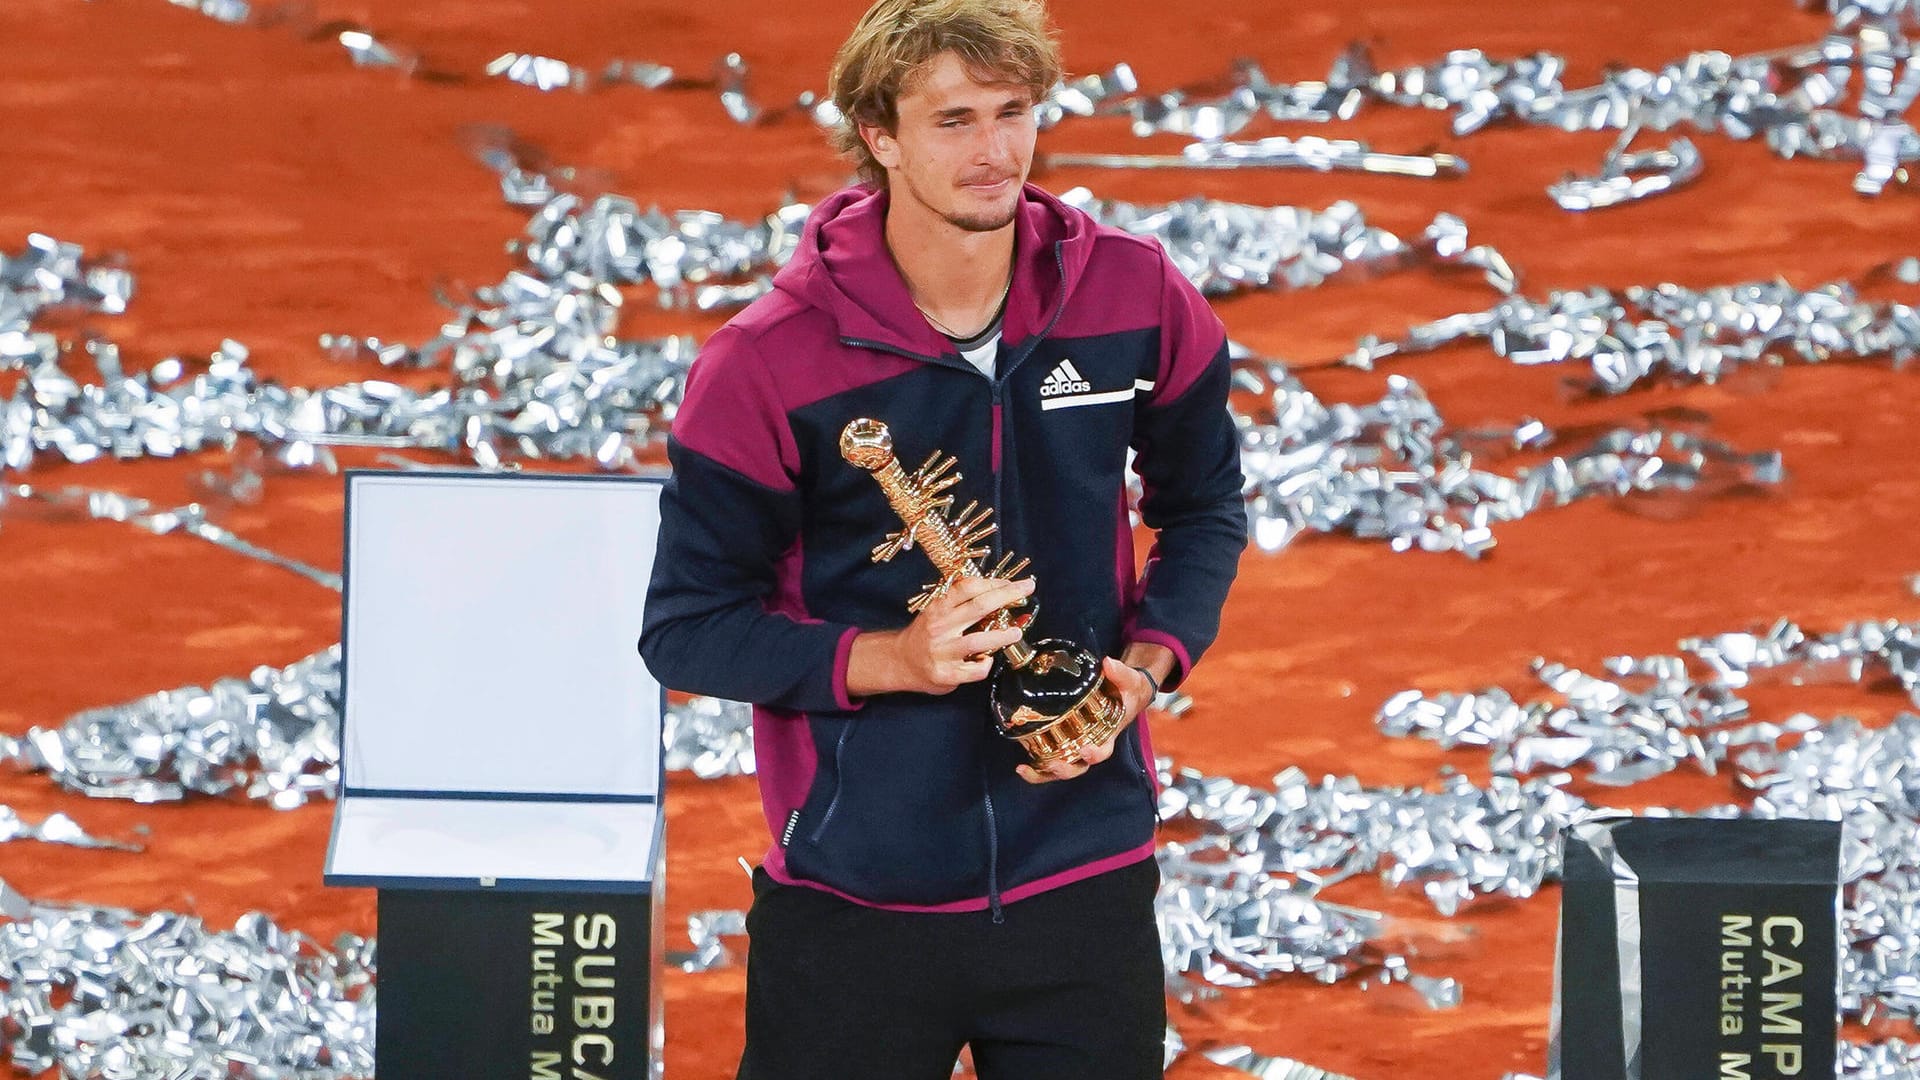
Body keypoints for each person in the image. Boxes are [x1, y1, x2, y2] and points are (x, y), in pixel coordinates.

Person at [638, 0, 1245, 1074]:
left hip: (1084, 881)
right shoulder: (766, 362)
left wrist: (1143, 674)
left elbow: (1203, 506)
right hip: (857, 900)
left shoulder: (1135, 293)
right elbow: (688, 628)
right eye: (953, 120)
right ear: (879, 135)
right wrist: (894, 662)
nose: (995, 151)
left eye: (1014, 112)